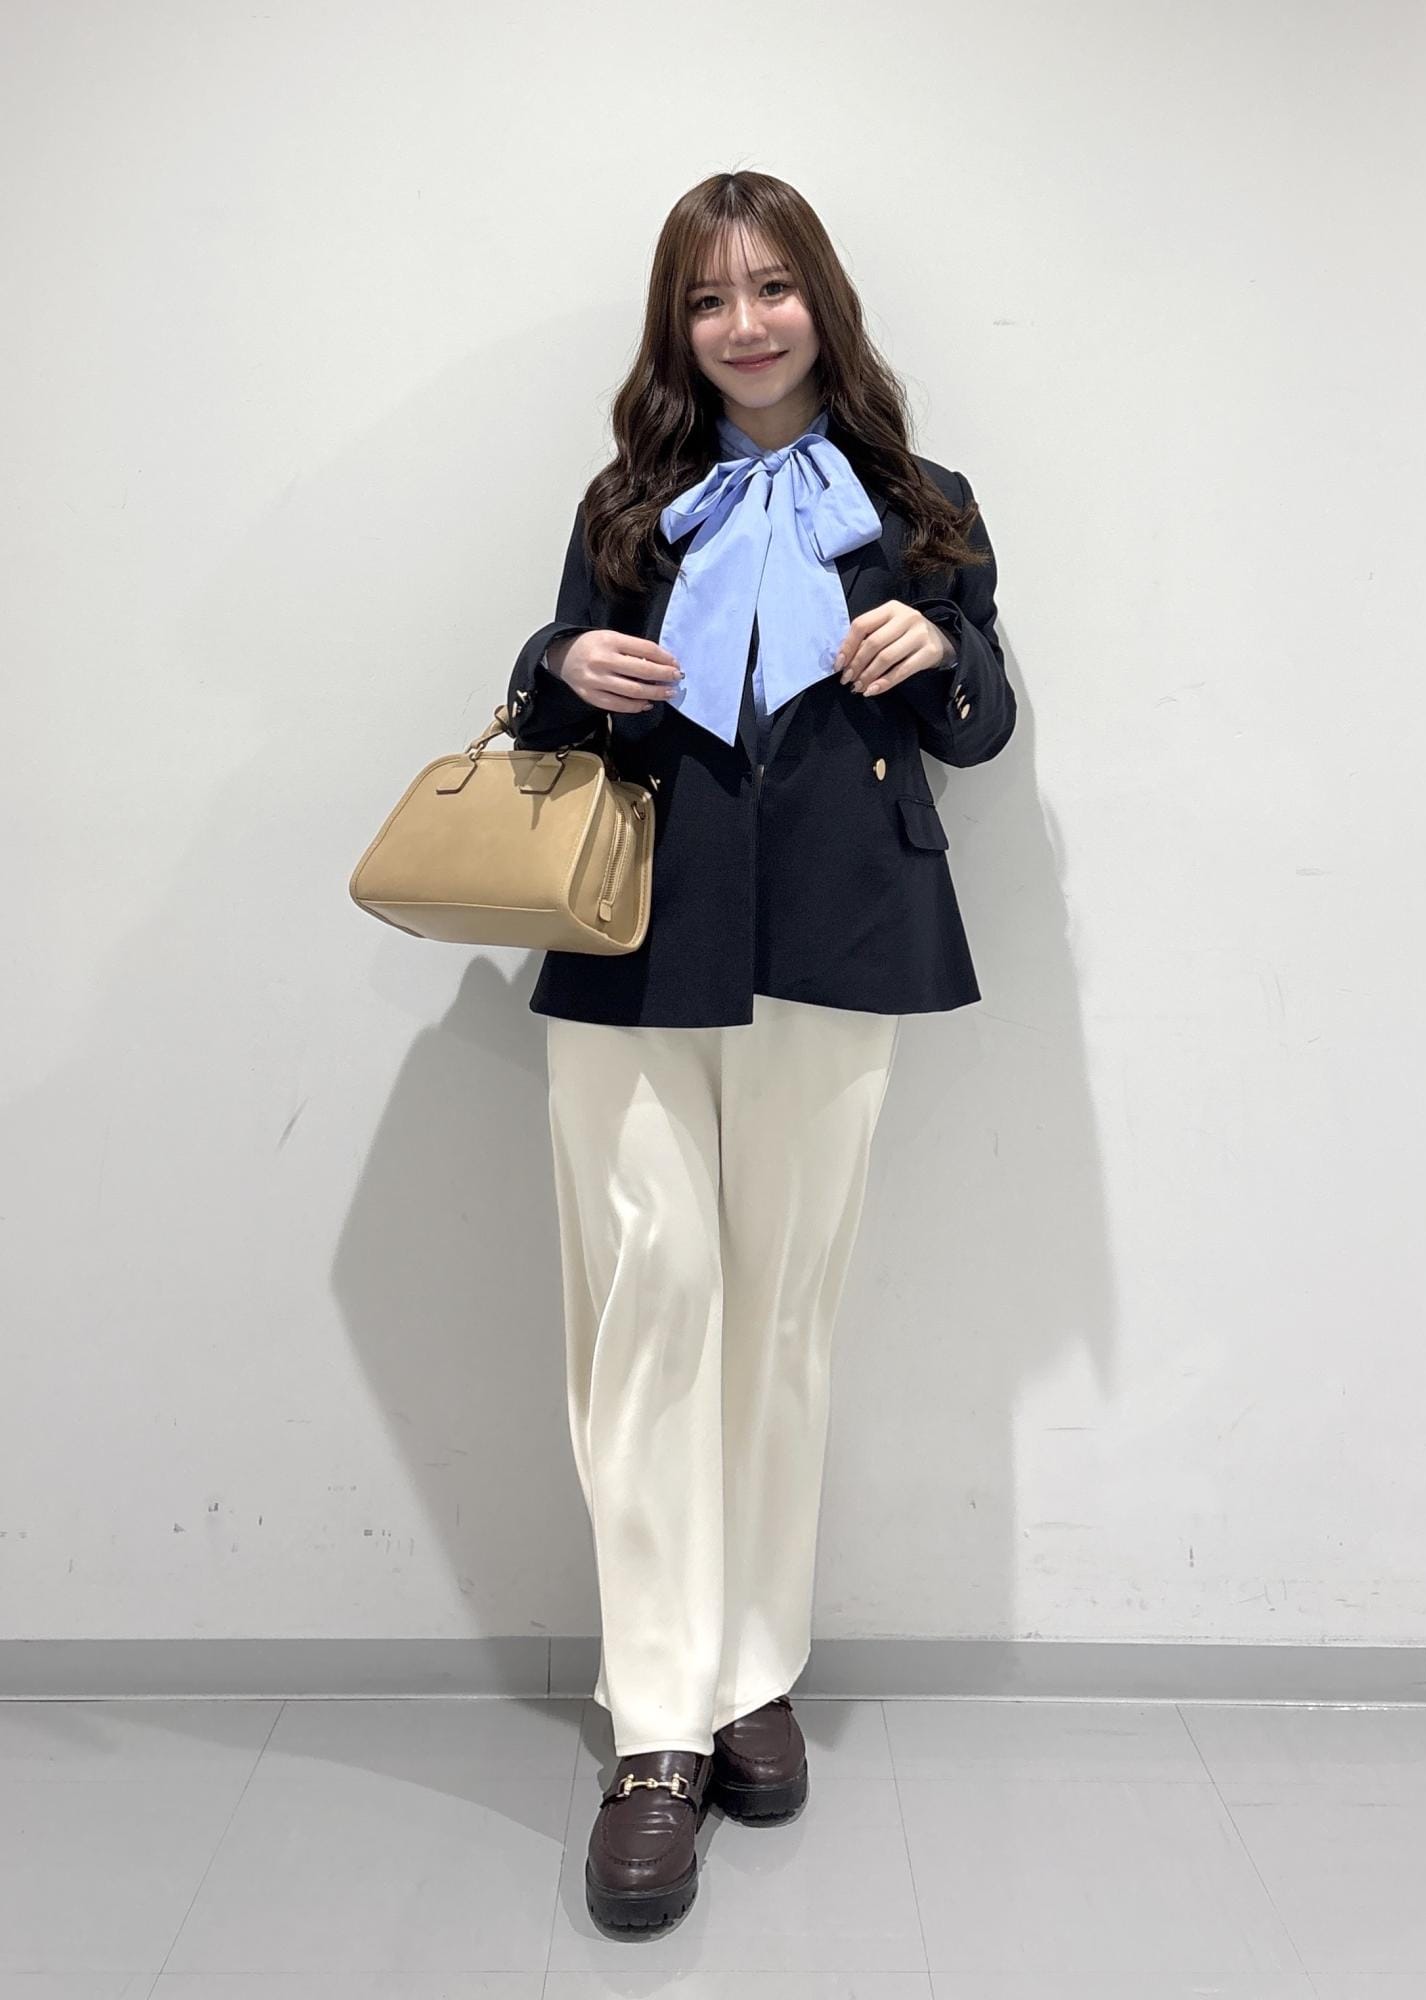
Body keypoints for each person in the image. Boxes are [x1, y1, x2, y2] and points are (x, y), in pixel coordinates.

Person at [504, 169, 1017, 1937]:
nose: (745, 324)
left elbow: (981, 725)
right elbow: (544, 698)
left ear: (823, 302)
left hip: (839, 935)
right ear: (679, 324)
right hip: (639, 937)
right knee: (651, 1308)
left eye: (773, 287)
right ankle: (659, 1725)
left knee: (784, 1316)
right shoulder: (629, 503)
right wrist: (567, 660)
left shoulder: (920, 502)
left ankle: (752, 1673)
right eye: (710, 297)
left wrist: (939, 643)